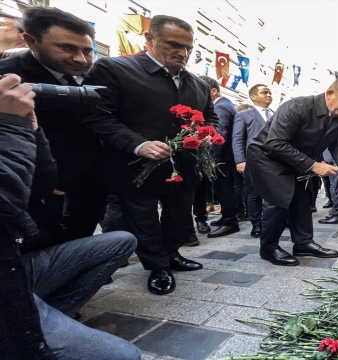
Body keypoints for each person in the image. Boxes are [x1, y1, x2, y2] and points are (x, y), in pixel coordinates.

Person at [0, 74, 141, 360]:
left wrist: (30, 128)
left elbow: (43, 183)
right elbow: (7, 209)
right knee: (122, 356)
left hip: (15, 267)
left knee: (120, 241)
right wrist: (10, 124)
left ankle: (43, 317)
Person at [82, 15, 217, 295]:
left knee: (179, 218)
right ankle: (157, 266)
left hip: (185, 166)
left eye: (189, 48)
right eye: (174, 44)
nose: (183, 52)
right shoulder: (114, 68)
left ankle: (171, 254)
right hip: (135, 165)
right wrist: (138, 144)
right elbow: (97, 117)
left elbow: (210, 118)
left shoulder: (197, 84)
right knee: (143, 220)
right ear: (149, 39)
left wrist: (206, 135)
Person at [0, 7, 106, 250]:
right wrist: (41, 179)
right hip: (38, 182)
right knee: (45, 241)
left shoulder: (98, 74)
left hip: (90, 176)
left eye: (87, 51)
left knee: (81, 233)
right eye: (67, 48)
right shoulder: (9, 79)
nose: (80, 59)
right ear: (32, 41)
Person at [247, 78, 338, 266]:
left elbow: (336, 143)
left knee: (303, 197)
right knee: (280, 197)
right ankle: (268, 248)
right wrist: (313, 165)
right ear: (330, 94)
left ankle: (303, 243)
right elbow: (275, 142)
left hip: (297, 158)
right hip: (267, 156)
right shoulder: (296, 106)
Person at [196, 75, 241, 239]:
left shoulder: (220, 107)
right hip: (224, 156)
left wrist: (212, 158)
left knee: (224, 189)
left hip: (221, 157)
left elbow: (218, 135)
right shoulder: (225, 104)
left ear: (213, 91)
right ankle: (226, 217)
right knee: (221, 189)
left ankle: (230, 222)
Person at [232, 84, 274, 238]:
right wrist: (240, 160)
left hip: (275, 161)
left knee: (275, 193)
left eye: (270, 92)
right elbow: (238, 139)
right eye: (264, 92)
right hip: (253, 161)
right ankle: (256, 224)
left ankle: (274, 221)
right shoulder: (244, 115)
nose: (269, 95)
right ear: (253, 96)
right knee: (253, 193)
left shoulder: (275, 114)